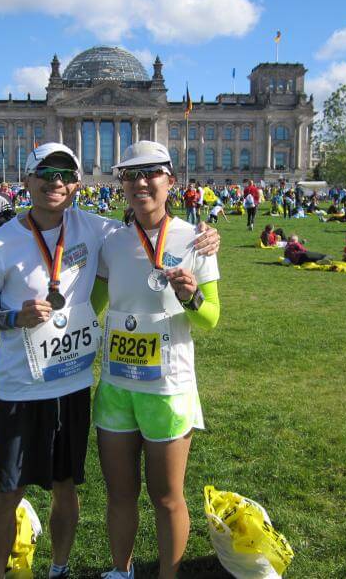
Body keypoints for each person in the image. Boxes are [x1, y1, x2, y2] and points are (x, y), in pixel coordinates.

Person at [0, 142, 220, 579]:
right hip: (71, 386)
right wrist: (23, 316)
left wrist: (197, 273)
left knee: (126, 493)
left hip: (125, 385)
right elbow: (82, 301)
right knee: (53, 492)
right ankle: (96, 571)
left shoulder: (153, 235)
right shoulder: (30, 241)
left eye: (152, 174)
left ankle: (111, 572)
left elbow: (207, 311)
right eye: (131, 175)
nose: (55, 183)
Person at [92, 141, 220, 579]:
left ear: (171, 181)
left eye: (151, 173)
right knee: (119, 494)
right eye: (130, 175)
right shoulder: (110, 240)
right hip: (115, 386)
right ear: (121, 184)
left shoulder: (196, 239)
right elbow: (92, 302)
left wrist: (191, 295)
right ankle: (120, 570)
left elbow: (211, 319)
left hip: (167, 388)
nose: (141, 182)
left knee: (167, 497)